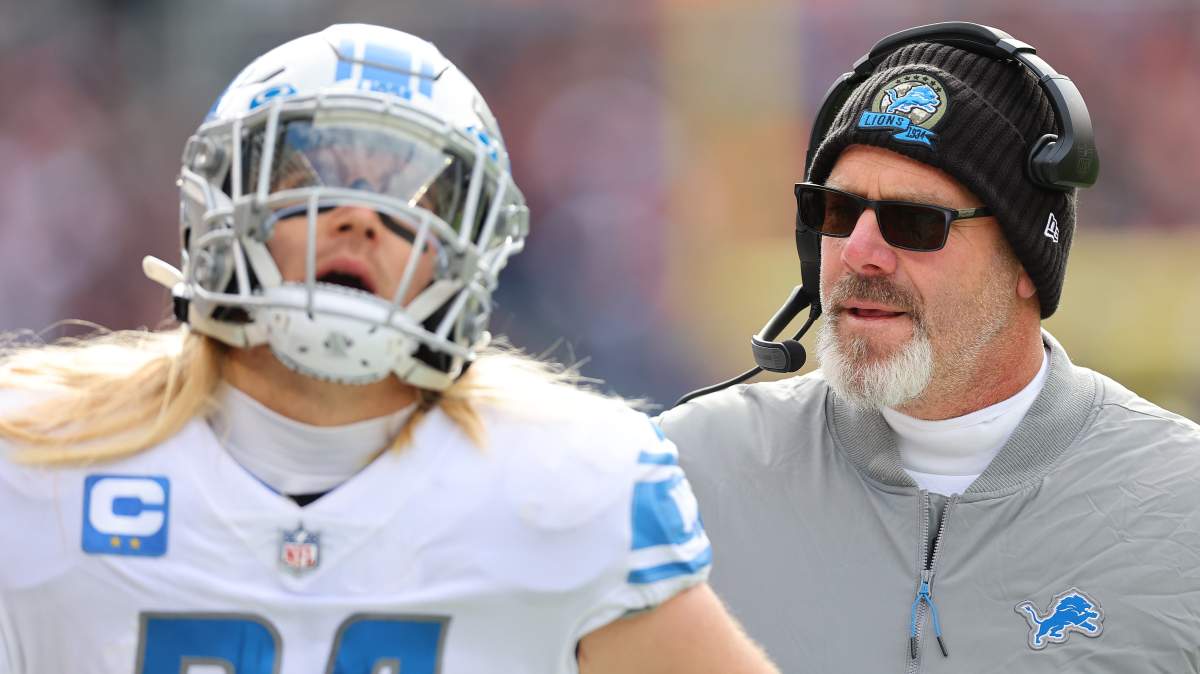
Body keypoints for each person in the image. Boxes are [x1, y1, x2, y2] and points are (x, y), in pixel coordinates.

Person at [0, 25, 778, 674]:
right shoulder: (32, 460)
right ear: (221, 208)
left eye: (413, 200)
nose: (361, 219)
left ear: (467, 254)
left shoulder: (573, 485)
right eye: (312, 177)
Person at [658, 22, 1200, 672]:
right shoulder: (685, 472)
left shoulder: (1182, 505)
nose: (859, 252)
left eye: (915, 222)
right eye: (835, 211)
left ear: (1026, 260)